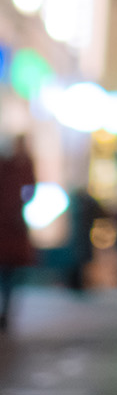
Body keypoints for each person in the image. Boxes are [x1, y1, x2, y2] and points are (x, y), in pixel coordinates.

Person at [0, 133, 34, 331]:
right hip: (9, 225)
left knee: (10, 273)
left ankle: (6, 311)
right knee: (7, 272)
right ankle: (6, 310)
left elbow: (30, 190)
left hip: (13, 226)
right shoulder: (10, 166)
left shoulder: (22, 165)